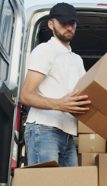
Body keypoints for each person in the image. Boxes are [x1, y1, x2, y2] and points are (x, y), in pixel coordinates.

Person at [20, 3, 91, 166]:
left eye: (72, 23)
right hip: (44, 130)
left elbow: (85, 95)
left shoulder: (77, 60)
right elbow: (25, 95)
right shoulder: (45, 50)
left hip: (68, 134)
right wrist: (60, 104)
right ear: (51, 24)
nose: (69, 27)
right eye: (63, 22)